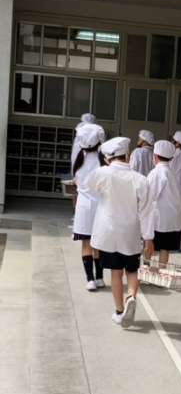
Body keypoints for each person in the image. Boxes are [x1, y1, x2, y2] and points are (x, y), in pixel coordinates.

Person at [87, 137, 155, 328]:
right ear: (128, 155)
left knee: (116, 273)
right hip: (130, 231)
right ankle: (131, 296)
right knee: (132, 270)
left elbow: (89, 188)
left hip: (108, 231)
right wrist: (148, 238)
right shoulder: (140, 179)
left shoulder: (102, 173)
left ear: (108, 158)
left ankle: (119, 311)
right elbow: (147, 211)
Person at [72, 123, 106, 291]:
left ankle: (90, 280)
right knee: (98, 244)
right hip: (100, 206)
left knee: (86, 243)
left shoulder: (79, 161)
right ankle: (99, 278)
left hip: (84, 207)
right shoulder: (102, 162)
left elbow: (76, 182)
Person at [147, 140, 181, 266]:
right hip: (173, 217)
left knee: (149, 244)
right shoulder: (172, 172)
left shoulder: (156, 172)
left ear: (155, 156)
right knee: (165, 248)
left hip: (159, 218)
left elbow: (150, 196)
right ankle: (161, 271)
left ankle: (145, 269)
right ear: (171, 158)